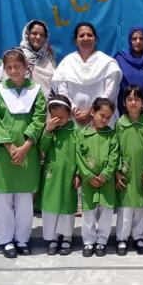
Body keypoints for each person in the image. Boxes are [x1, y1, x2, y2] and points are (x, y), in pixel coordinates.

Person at [0, 48, 46, 259]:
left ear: (26, 67)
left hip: (27, 152)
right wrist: (11, 147)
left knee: (24, 199)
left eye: (17, 66)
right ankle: (5, 240)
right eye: (9, 67)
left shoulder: (36, 91)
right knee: (2, 199)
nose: (13, 70)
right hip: (4, 153)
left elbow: (39, 118)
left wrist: (26, 146)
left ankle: (22, 239)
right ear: (4, 69)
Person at [51, 22, 122, 126]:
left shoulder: (108, 63)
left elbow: (110, 93)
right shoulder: (67, 62)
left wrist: (91, 113)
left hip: (101, 121)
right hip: (73, 120)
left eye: (89, 35)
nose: (85, 38)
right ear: (76, 41)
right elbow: (62, 91)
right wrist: (74, 110)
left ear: (95, 39)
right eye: (81, 35)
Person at [77, 98, 119, 257]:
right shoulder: (82, 134)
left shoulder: (111, 134)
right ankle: (88, 242)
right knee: (89, 212)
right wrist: (88, 176)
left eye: (108, 117)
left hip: (106, 181)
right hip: (89, 182)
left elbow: (114, 155)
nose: (105, 120)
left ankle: (101, 241)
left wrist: (106, 174)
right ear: (92, 112)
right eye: (102, 115)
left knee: (106, 213)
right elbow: (79, 156)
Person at [39, 94, 79, 256]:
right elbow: (42, 149)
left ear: (69, 113)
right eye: (54, 116)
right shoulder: (48, 130)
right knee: (51, 206)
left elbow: (80, 154)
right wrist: (48, 130)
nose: (58, 120)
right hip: (51, 175)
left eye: (61, 117)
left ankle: (67, 237)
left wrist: (78, 174)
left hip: (68, 175)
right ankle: (53, 237)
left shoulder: (75, 130)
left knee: (66, 205)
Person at [115, 85, 143, 256]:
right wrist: (116, 171)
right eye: (130, 99)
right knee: (126, 207)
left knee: (141, 206)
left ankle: (138, 236)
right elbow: (114, 149)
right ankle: (122, 238)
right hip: (126, 171)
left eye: (137, 99)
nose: (134, 102)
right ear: (124, 102)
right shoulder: (120, 123)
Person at [114, 26, 143, 114]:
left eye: (141, 38)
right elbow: (114, 85)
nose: (138, 42)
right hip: (123, 109)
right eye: (134, 39)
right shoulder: (120, 59)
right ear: (129, 41)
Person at [20, 20, 56, 97]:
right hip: (22, 102)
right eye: (34, 33)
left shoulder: (49, 58)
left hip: (44, 104)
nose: (38, 37)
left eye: (42, 35)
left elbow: (54, 84)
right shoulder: (17, 56)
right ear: (27, 34)